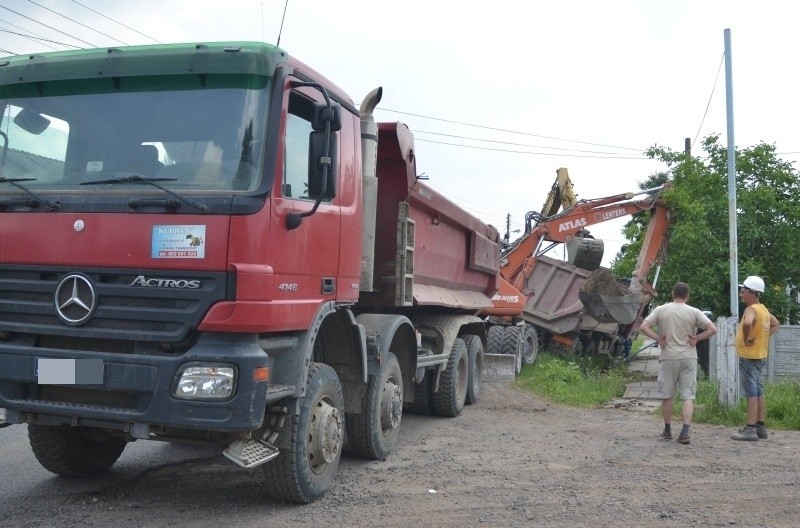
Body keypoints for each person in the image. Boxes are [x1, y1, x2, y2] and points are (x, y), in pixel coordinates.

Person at [640, 282, 717, 445]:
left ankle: (667, 430)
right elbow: (712, 329)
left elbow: (644, 326)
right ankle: (685, 431)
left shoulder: (661, 310)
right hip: (688, 356)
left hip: (668, 356)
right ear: (687, 295)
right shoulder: (694, 312)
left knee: (667, 395)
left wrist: (657, 338)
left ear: (672, 293)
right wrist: (697, 338)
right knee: (687, 395)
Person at [730, 276, 780, 441]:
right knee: (759, 392)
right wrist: (761, 338)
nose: (741, 295)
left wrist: (747, 337)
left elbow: (746, 324)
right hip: (759, 356)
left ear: (752, 292)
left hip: (749, 357)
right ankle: (760, 427)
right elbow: (775, 324)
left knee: (751, 393)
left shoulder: (751, 310)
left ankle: (750, 429)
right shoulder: (763, 310)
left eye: (743, 292)